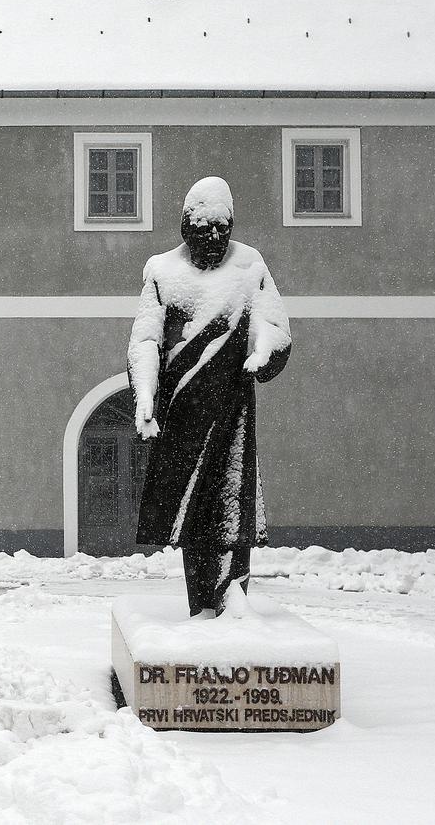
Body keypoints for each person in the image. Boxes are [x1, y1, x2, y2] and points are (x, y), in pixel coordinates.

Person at [128, 176, 292, 617]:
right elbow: (145, 340)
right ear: (186, 227)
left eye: (222, 229)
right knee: (193, 516)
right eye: (204, 229)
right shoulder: (162, 271)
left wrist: (265, 351)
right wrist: (145, 395)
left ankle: (231, 601)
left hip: (231, 409)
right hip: (183, 413)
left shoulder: (250, 266)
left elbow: (273, 325)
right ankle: (201, 605)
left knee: (232, 510)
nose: (214, 238)